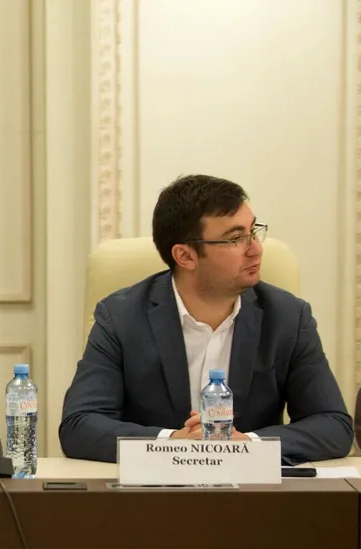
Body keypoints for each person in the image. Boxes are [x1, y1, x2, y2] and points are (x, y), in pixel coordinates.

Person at [59, 174, 353, 465]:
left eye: (253, 232)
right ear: (185, 256)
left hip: (251, 489)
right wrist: (171, 443)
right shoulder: (121, 317)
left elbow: (333, 425)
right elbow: (79, 426)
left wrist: (248, 444)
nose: (256, 249)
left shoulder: (287, 317)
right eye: (236, 238)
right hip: (152, 490)